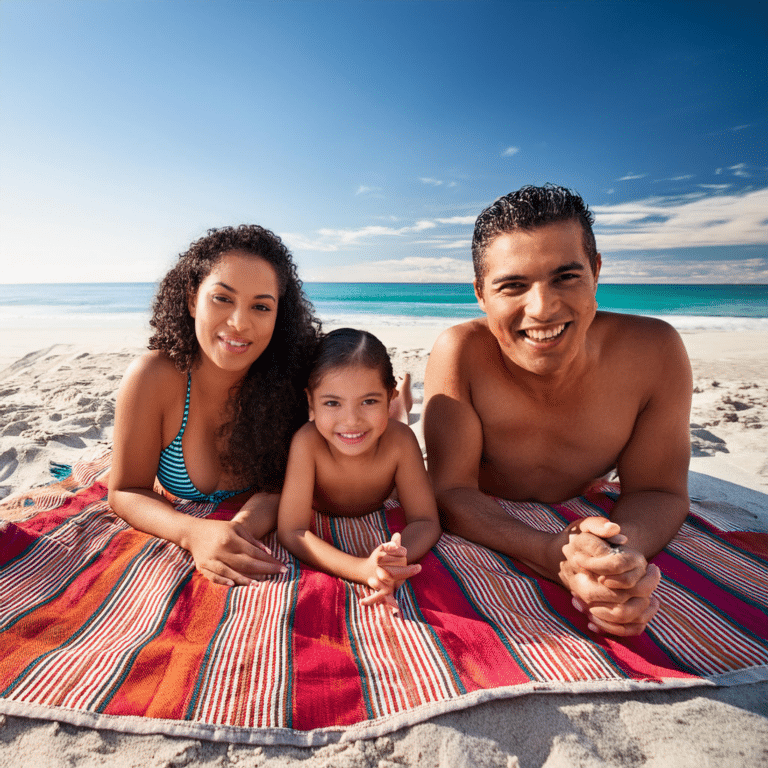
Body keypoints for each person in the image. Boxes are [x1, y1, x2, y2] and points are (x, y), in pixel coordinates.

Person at [423, 185, 692, 636]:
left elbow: (659, 491)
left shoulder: (654, 353)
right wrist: (551, 552)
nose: (543, 308)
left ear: (596, 271)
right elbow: (451, 490)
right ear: (480, 294)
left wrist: (617, 562)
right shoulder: (461, 354)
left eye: (566, 277)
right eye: (512, 286)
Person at [109, 225, 320, 587]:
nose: (239, 323)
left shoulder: (289, 383)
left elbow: (280, 486)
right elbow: (126, 490)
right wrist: (194, 533)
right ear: (193, 300)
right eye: (222, 298)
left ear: (277, 316)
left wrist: (237, 530)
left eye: (261, 306)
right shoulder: (154, 377)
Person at [277, 328, 441, 611]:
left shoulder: (401, 441)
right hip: (373, 425)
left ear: (385, 395)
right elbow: (292, 530)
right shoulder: (307, 443)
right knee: (375, 425)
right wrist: (363, 569)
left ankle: (402, 400)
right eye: (332, 403)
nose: (351, 419)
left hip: (387, 425)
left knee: (395, 422)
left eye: (369, 400)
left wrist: (396, 559)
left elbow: (426, 521)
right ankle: (401, 400)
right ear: (310, 401)